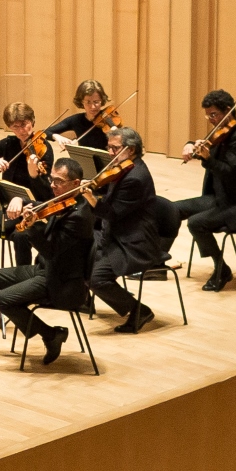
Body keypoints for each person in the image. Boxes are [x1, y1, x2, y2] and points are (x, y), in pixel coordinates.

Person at [0, 159, 95, 364]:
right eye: (51, 179)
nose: (52, 185)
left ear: (76, 183)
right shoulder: (65, 199)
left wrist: (31, 227)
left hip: (63, 282)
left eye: (58, 181)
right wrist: (21, 199)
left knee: (2, 299)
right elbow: (44, 205)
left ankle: (50, 334)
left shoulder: (80, 216)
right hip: (46, 270)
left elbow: (50, 250)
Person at [177, 90, 236, 292]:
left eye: (214, 114)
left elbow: (229, 172)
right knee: (173, 208)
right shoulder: (222, 133)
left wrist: (208, 158)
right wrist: (191, 145)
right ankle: (156, 263)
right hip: (221, 197)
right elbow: (211, 151)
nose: (210, 119)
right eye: (207, 115)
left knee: (196, 223)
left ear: (228, 111)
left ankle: (221, 268)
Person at [85, 127, 160, 332]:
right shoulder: (123, 168)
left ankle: (139, 311)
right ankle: (80, 299)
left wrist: (92, 200)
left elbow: (113, 213)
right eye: (108, 147)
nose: (110, 152)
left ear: (131, 150)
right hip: (117, 233)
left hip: (134, 242)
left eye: (115, 148)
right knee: (79, 251)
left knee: (96, 278)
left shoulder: (135, 177)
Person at [0, 102, 56, 276]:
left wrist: (34, 175)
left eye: (25, 124)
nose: (22, 131)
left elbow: (47, 192)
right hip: (10, 208)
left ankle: (21, 281)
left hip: (36, 209)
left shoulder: (44, 149)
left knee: (20, 236)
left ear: (32, 121)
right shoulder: (8, 144)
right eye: (15, 127)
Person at [48, 79, 116, 152]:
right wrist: (56, 136)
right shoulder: (76, 120)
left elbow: (127, 141)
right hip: (85, 161)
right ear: (81, 102)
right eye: (88, 102)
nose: (92, 107)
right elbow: (44, 133)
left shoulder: (109, 119)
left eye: (96, 102)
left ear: (102, 100)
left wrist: (118, 134)